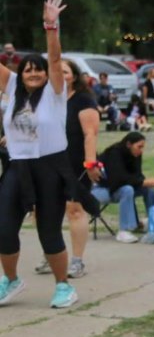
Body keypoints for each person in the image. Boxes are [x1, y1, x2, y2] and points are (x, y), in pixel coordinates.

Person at [0, 0, 79, 308]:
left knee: (48, 232)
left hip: (49, 169)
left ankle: (63, 286)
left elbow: (56, 59)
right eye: (28, 70)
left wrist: (51, 26)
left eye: (38, 70)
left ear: (47, 74)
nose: (33, 74)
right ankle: (11, 280)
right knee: (3, 227)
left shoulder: (55, 93)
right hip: (18, 167)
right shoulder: (11, 88)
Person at [34, 59, 101, 277]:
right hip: (47, 160)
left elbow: (90, 133)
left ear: (74, 76)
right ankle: (52, 255)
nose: (60, 75)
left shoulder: (82, 100)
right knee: (44, 210)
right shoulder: (45, 99)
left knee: (74, 210)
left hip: (75, 162)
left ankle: (77, 261)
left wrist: (90, 163)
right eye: (56, 71)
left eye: (65, 71)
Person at [93, 131, 154, 243]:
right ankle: (123, 231)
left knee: (148, 188)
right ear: (129, 144)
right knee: (127, 190)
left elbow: (137, 176)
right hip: (101, 188)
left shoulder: (135, 155)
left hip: (118, 187)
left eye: (142, 147)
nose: (141, 150)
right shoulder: (114, 153)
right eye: (139, 147)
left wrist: (150, 182)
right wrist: (142, 182)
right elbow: (118, 179)